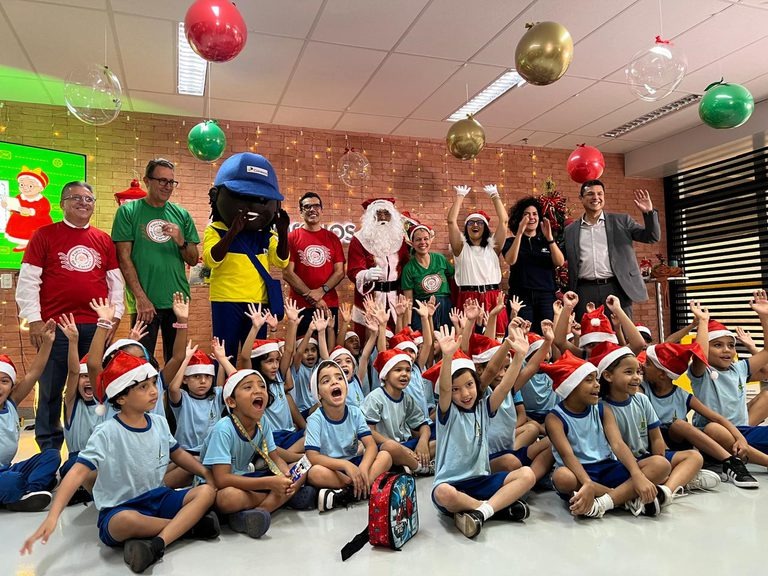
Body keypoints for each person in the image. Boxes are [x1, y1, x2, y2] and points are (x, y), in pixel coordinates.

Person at [21, 351, 218, 574]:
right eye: (143, 387)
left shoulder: (159, 423)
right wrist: (53, 515)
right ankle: (188, 527)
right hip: (122, 507)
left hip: (158, 497)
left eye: (154, 383)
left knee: (205, 492)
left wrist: (205, 473)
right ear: (121, 397)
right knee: (122, 522)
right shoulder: (106, 432)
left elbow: (178, 454)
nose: (154, 391)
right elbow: (76, 472)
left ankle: (157, 542)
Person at [16, 181, 124, 451]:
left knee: (92, 389)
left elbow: (115, 283)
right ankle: (49, 450)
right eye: (76, 198)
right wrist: (35, 320)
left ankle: (90, 444)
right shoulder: (43, 235)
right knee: (51, 390)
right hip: (55, 327)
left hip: (95, 327)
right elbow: (28, 280)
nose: (83, 203)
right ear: (62, 203)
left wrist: (114, 317)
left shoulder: (103, 240)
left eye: (88, 199)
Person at [429, 326, 535, 539]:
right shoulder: (448, 413)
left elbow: (504, 387)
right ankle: (494, 508)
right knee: (443, 493)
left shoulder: (483, 408)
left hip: (481, 480)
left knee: (527, 475)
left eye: (469, 385)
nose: (465, 393)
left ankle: (479, 512)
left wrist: (519, 357)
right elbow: (445, 390)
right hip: (453, 486)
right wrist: (447, 357)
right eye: (456, 389)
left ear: (477, 384)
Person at [542, 351, 670, 519]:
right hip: (579, 473)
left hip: (608, 467)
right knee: (562, 477)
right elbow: (567, 455)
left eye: (596, 379)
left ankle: (604, 502)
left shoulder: (603, 409)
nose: (597, 385)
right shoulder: (554, 418)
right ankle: (624, 498)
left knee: (661, 464)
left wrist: (637, 475)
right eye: (589, 380)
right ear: (571, 386)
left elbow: (617, 444)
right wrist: (587, 482)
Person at [592, 340, 720, 506]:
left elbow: (656, 437)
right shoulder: (603, 407)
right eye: (629, 372)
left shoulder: (641, 399)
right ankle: (678, 480)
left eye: (638, 372)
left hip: (648, 458)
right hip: (624, 464)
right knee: (659, 466)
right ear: (608, 376)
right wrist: (658, 468)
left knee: (694, 456)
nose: (637, 377)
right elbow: (617, 445)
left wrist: (662, 463)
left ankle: (665, 492)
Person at [203, 153, 290, 359]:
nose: (254, 206)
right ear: (216, 195)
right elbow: (211, 259)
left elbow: (281, 261)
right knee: (226, 354)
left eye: (262, 200)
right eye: (243, 196)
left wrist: (283, 232)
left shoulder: (266, 234)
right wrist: (233, 231)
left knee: (257, 354)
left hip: (257, 301)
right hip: (225, 299)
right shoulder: (216, 229)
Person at [112, 158, 199, 362]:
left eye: (171, 182)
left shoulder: (181, 214)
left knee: (176, 361)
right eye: (162, 180)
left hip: (177, 302)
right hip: (145, 303)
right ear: (147, 181)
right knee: (140, 362)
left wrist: (181, 240)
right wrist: (141, 298)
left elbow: (194, 259)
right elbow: (123, 259)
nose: (167, 186)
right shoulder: (128, 211)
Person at [200, 368, 305, 538]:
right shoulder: (223, 429)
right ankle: (274, 502)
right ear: (231, 402)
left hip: (247, 478)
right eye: (248, 387)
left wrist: (286, 477)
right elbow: (222, 479)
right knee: (229, 498)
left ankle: (252, 514)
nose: (258, 390)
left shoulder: (262, 421)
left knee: (299, 470)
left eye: (262, 386)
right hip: (221, 486)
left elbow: (275, 458)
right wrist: (270, 484)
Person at [641, 339, 757, 488]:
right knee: (677, 425)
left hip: (676, 443)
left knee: (679, 424)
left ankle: (731, 462)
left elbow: (716, 418)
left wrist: (740, 438)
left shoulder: (682, 395)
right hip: (654, 444)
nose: (642, 365)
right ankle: (691, 474)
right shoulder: (642, 390)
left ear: (662, 374)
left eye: (648, 363)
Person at [687, 291, 768, 464]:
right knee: (713, 428)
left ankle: (746, 450)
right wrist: (703, 322)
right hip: (712, 439)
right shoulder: (702, 372)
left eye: (731, 345)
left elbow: (766, 353)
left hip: (742, 431)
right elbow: (700, 355)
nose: (726, 350)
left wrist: (764, 316)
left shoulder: (738, 368)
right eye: (718, 345)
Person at [304, 359, 392, 512]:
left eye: (339, 378)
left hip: (356, 463)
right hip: (333, 469)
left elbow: (371, 445)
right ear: (318, 394)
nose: (334, 382)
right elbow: (312, 456)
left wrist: (363, 468)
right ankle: (361, 487)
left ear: (346, 385)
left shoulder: (355, 412)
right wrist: (345, 465)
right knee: (314, 473)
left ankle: (350, 491)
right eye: (326, 381)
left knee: (386, 456)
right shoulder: (315, 419)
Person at [563, 180, 659, 319]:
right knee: (586, 331)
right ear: (581, 198)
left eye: (600, 194)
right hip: (584, 290)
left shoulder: (621, 221)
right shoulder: (570, 230)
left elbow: (652, 237)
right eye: (590, 194)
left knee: (621, 331)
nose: (596, 197)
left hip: (616, 288)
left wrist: (649, 213)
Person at [0, 321, 59, 512]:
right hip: (7, 475)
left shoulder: (11, 403)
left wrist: (47, 343)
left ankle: (30, 491)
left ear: (11, 386)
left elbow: (34, 373)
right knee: (12, 480)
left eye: (4, 381)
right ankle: (21, 490)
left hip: (7, 468)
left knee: (51, 456)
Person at [448, 184, 508, 337]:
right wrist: (460, 196)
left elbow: (504, 221)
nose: (475, 225)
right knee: (467, 341)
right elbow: (451, 222)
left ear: (485, 227)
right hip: (468, 297)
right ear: (466, 227)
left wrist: (495, 195)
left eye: (479, 222)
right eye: (471, 222)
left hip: (492, 296)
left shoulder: (493, 248)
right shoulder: (460, 249)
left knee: (495, 341)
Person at [283, 192, 346, 336]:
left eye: (316, 206)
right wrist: (310, 295)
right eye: (307, 207)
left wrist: (321, 291)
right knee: (302, 347)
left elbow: (340, 272)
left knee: (329, 348)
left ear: (321, 210)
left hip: (328, 304)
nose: (312, 209)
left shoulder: (333, 238)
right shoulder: (292, 238)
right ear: (300, 212)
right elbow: (287, 273)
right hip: (300, 307)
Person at [346, 198, 410, 338]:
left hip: (395, 297)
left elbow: (407, 265)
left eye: (386, 213)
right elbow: (353, 269)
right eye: (378, 214)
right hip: (371, 297)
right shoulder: (359, 239)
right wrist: (365, 275)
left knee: (397, 337)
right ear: (370, 217)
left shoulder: (400, 239)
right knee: (369, 337)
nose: (382, 218)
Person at [502, 197, 564, 329]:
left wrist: (550, 238)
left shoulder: (546, 241)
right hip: (521, 296)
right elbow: (510, 260)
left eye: (535, 214)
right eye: (526, 214)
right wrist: (520, 232)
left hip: (546, 295)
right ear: (519, 218)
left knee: (548, 332)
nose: (531, 217)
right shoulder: (510, 242)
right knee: (523, 333)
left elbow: (559, 262)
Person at [401, 222, 453, 332]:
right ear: (412, 243)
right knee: (424, 339)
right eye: (418, 240)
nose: (423, 242)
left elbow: (454, 278)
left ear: (431, 240)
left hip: (445, 307)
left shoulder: (440, 258)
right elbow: (409, 300)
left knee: (446, 338)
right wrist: (408, 324)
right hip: (422, 309)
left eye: (426, 239)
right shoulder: (408, 268)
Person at [3, 166, 53, 252]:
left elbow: (44, 210)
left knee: (36, 236)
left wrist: (30, 211)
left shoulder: (42, 200)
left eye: (30, 186)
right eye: (22, 185)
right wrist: (8, 206)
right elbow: (16, 207)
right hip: (20, 221)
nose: (25, 188)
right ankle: (24, 244)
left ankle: (35, 246)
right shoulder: (19, 197)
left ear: (41, 188)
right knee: (21, 234)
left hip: (37, 221)